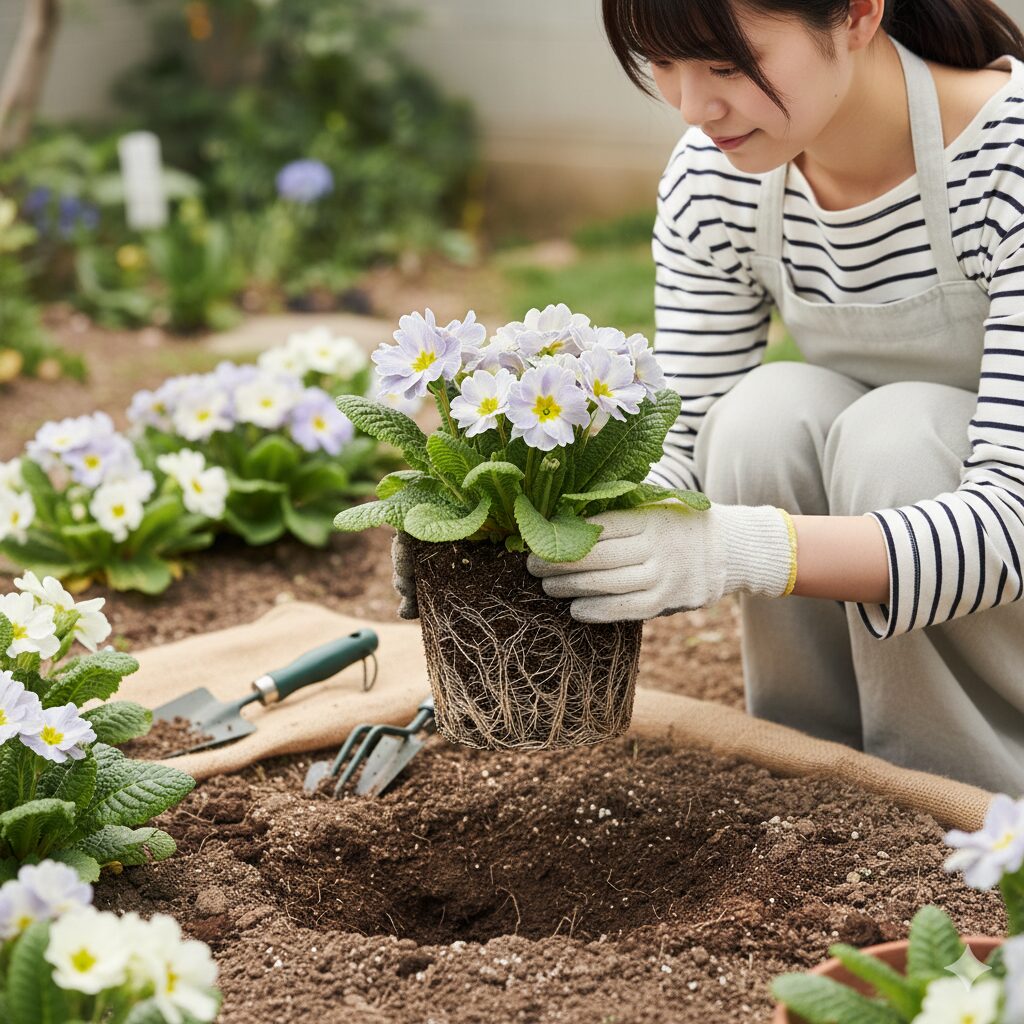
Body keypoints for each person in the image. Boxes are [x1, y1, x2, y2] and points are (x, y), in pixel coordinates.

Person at [395, 0, 1024, 795]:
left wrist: (737, 550)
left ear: (860, 13)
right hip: (923, 539)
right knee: (762, 416)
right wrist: (504, 539)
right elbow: (680, 444)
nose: (694, 107)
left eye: (726, 66)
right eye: (663, 64)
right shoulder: (715, 179)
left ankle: (962, 792)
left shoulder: (1009, 162)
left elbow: (1013, 525)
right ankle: (815, 772)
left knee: (895, 436)